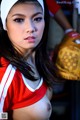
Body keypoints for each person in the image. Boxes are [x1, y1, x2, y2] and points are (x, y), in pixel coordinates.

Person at [0, 0, 57, 120]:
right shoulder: (5, 73)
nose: (30, 28)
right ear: (5, 24)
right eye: (19, 20)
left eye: (37, 19)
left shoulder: (38, 59)